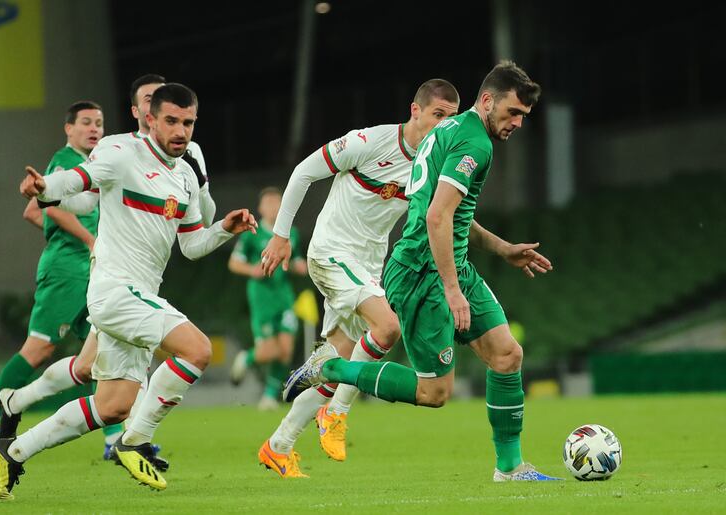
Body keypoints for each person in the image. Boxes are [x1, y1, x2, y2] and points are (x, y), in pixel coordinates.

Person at [284, 61, 562, 482]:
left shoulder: (446, 133)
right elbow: (437, 218)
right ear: (487, 101)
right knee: (435, 393)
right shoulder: (475, 145)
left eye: (524, 115)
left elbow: (451, 215)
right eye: (512, 112)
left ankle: (510, 468)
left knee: (507, 355)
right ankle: (332, 368)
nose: (518, 123)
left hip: (449, 262)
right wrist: (452, 290)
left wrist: (503, 249)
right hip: (422, 273)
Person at [0, 83, 257, 499]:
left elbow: (191, 246)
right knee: (198, 350)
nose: (180, 131)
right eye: (171, 120)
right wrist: (44, 189)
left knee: (112, 405)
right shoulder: (120, 152)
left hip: (138, 296)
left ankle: (15, 451)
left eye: (187, 123)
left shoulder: (185, 175)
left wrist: (224, 228)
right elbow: (79, 180)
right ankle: (134, 441)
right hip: (114, 290)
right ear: (149, 118)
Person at [256, 79, 460, 477]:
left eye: (451, 119)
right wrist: (281, 235)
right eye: (438, 115)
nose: (444, 126)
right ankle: (337, 414)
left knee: (342, 364)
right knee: (386, 328)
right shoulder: (369, 142)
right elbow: (302, 172)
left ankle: (278, 445)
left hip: (367, 266)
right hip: (332, 252)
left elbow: (450, 217)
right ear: (415, 111)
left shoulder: (435, 164)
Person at [0, 101, 104, 463]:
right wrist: (87, 240)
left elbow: (32, 211)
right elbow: (49, 207)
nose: (94, 129)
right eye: (86, 122)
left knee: (103, 346)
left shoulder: (93, 165)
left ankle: (117, 438)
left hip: (89, 268)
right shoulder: (65, 160)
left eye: (99, 123)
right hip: (67, 269)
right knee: (39, 348)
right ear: (68, 129)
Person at [228, 187, 307, 411]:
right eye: (269, 204)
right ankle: (247, 358)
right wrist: (252, 269)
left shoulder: (291, 234)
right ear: (261, 208)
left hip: (283, 294)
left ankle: (270, 396)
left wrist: (299, 265)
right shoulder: (252, 234)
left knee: (285, 349)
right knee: (268, 351)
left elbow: (293, 259)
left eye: (277, 203)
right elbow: (234, 263)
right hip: (261, 296)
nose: (273, 208)